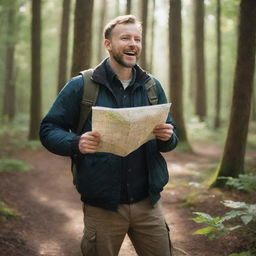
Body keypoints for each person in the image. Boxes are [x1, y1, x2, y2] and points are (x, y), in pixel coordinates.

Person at [40, 15, 178, 256]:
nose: (133, 44)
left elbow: (170, 137)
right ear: (108, 44)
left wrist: (168, 136)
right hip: (102, 206)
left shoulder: (152, 87)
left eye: (137, 39)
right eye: (125, 38)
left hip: (148, 203)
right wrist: (76, 142)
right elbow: (48, 129)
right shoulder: (82, 85)